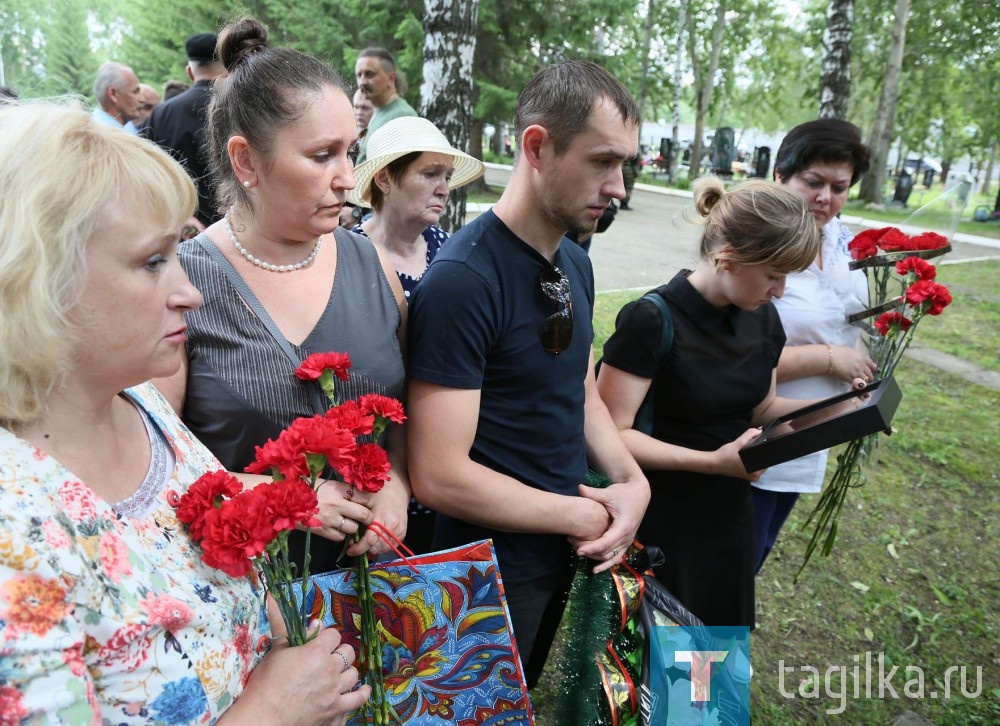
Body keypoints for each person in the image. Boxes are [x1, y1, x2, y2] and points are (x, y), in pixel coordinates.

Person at [0, 100, 368, 724]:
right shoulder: (18, 533)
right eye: (151, 262)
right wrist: (274, 711)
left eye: (178, 254)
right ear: (37, 281)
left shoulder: (142, 406)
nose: (189, 291)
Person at [406, 60, 650, 689]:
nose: (618, 187)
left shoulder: (575, 259)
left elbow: (574, 383)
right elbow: (438, 474)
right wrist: (578, 517)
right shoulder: (466, 279)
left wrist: (631, 479)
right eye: (602, 161)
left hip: (552, 557)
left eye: (626, 165)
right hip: (476, 575)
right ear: (537, 146)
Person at [154, 17, 410, 574]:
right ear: (246, 160)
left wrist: (398, 486)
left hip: (372, 589)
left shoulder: (373, 266)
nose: (348, 177)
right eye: (323, 156)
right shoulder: (183, 286)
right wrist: (282, 500)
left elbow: (411, 412)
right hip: (245, 599)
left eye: (352, 151)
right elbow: (155, 464)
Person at [597, 177, 866, 629]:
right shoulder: (651, 320)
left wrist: (839, 410)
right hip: (658, 517)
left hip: (727, 517)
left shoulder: (763, 319)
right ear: (728, 258)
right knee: (661, 672)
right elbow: (609, 436)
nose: (779, 291)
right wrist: (711, 462)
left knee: (712, 666)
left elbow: (760, 409)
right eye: (773, 275)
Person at [750, 119, 876, 571]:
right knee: (729, 574)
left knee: (757, 554)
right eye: (814, 182)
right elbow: (725, 359)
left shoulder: (840, 242)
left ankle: (716, 642)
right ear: (781, 174)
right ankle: (702, 644)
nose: (827, 198)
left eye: (840, 187)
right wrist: (829, 359)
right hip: (755, 437)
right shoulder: (753, 245)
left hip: (809, 438)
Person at [347, 115, 485, 300]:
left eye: (447, 177)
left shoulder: (448, 250)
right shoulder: (348, 256)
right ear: (384, 179)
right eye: (430, 174)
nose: (444, 190)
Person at [143, 32, 228, 231]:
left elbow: (149, 176)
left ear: (190, 72)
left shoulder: (161, 115)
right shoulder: (245, 104)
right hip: (246, 228)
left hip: (189, 230)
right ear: (227, 65)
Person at [353, 47, 417, 163]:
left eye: (369, 74)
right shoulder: (380, 112)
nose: (362, 82)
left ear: (390, 78)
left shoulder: (401, 115)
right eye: (359, 75)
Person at [91, 61, 142, 133]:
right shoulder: (97, 136)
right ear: (113, 94)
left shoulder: (127, 127)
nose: (142, 99)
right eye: (135, 92)